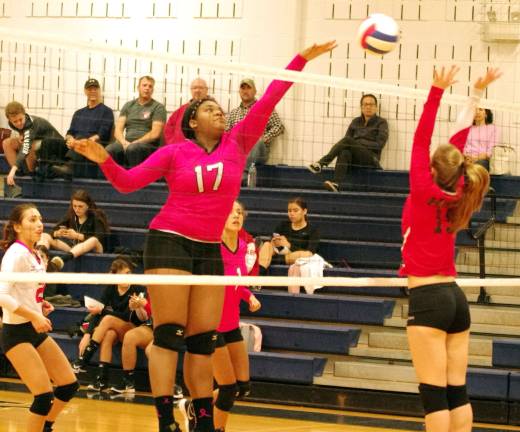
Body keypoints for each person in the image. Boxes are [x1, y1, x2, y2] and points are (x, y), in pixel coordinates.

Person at [70, 40, 336, 432]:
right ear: (194, 121)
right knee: (169, 333)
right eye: (210, 108)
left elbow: (268, 101)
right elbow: (127, 184)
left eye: (220, 108)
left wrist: (301, 59)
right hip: (170, 239)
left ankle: (203, 420)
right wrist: (105, 160)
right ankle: (164, 420)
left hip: (209, 247)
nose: (220, 112)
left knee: (201, 341)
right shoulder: (174, 152)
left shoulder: (238, 143)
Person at [400, 66, 500, 432]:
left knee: (434, 395)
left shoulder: (424, 190)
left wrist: (435, 91)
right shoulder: (458, 191)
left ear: (429, 170)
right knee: (457, 391)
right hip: (455, 299)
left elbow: (420, 138)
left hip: (428, 297)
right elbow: (455, 143)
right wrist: (475, 93)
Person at [179, 201, 261, 432]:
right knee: (227, 387)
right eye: (230, 212)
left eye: (239, 212)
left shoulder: (244, 246)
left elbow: (235, 281)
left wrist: (248, 296)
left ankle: (194, 406)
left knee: (242, 386)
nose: (236, 215)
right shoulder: (211, 247)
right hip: (211, 324)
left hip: (231, 323)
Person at [0, 204, 79, 432]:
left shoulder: (33, 254)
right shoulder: (16, 253)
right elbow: (2, 295)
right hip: (16, 334)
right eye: (32, 219)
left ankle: (46, 425)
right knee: (43, 397)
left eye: (40, 219)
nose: (39, 224)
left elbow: (24, 290)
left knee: (68, 385)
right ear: (17, 226)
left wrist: (39, 304)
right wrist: (33, 314)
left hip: (33, 330)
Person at [72, 257, 149, 392]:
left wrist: (103, 310)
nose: (127, 277)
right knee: (108, 334)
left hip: (134, 328)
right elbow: (97, 312)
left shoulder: (137, 288)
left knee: (107, 319)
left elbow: (126, 316)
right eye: (124, 275)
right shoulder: (111, 288)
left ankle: (83, 360)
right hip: (118, 329)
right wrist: (87, 334)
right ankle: (102, 379)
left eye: (129, 273)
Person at [307, 94, 389, 192]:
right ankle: (336, 184)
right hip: (355, 160)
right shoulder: (355, 121)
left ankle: (322, 163)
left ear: (376, 107)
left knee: (347, 141)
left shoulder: (381, 122)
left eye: (371, 104)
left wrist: (358, 143)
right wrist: (355, 144)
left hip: (371, 159)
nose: (368, 107)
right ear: (361, 107)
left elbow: (379, 145)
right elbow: (347, 143)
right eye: (365, 104)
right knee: (344, 152)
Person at [51, 78, 115, 178]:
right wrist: (70, 139)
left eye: (95, 89)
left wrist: (80, 142)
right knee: (50, 142)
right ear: (85, 91)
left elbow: (103, 133)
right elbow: (70, 132)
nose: (93, 91)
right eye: (90, 89)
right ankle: (45, 169)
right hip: (75, 143)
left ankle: (70, 167)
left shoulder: (106, 111)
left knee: (81, 138)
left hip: (93, 144)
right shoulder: (78, 113)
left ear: (99, 91)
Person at [226, 78, 285, 178]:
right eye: (243, 88)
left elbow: (279, 126)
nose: (245, 91)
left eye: (248, 88)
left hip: (258, 150)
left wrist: (264, 138)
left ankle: (243, 174)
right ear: (239, 91)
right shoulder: (233, 113)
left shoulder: (264, 108)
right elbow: (226, 132)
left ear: (255, 91)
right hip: (238, 150)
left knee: (255, 140)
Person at [105, 75, 167, 167]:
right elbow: (118, 130)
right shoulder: (128, 105)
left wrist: (135, 142)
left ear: (152, 90)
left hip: (147, 145)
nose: (147, 88)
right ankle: (115, 181)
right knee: (110, 149)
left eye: (150, 86)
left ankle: (135, 180)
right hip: (126, 142)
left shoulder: (158, 107)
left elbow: (155, 133)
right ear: (138, 87)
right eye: (144, 85)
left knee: (133, 149)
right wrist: (124, 142)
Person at [38, 189, 109, 265]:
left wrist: (77, 236)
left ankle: (61, 260)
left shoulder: (96, 217)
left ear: (88, 206)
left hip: (94, 249)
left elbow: (99, 238)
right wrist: (57, 233)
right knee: (45, 236)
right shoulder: (71, 215)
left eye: (80, 206)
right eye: (74, 206)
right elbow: (53, 230)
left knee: (93, 240)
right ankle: (39, 258)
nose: (77, 209)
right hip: (74, 249)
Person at [2, 101, 64, 186]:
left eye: (20, 119)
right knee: (6, 143)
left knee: (28, 144)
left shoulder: (31, 125)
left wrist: (12, 171)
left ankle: (31, 173)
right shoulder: (11, 123)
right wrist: (21, 135)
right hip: (36, 140)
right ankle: (19, 172)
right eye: (15, 121)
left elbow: (26, 146)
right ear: (10, 120)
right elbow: (23, 132)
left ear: (24, 114)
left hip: (54, 145)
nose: (19, 123)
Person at [258, 197, 320, 276]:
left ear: (304, 211)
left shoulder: (312, 230)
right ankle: (259, 275)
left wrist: (289, 245)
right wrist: (276, 242)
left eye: (295, 210)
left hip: (297, 257)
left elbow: (310, 252)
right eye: (289, 211)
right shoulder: (283, 225)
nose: (291, 213)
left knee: (305, 254)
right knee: (267, 245)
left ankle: (276, 260)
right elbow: (273, 241)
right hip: (281, 252)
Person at [163, 78, 209, 145]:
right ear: (191, 90)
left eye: (201, 88)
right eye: (194, 88)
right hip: (179, 149)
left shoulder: (213, 109)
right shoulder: (182, 109)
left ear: (206, 90)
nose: (197, 90)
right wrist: (173, 144)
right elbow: (169, 127)